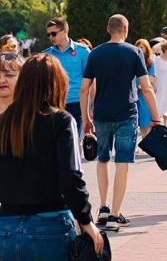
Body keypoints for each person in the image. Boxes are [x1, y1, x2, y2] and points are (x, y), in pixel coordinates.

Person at [0, 54, 104, 259]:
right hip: (50, 224)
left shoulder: (4, 121)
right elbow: (71, 176)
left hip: (7, 226)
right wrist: (86, 220)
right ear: (57, 83)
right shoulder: (60, 119)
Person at [80, 14, 160, 231]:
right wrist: (156, 117)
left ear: (108, 29)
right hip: (127, 114)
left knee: (103, 159)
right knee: (122, 162)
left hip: (102, 114)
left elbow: (84, 89)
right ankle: (115, 213)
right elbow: (146, 87)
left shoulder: (95, 53)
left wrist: (86, 118)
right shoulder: (134, 52)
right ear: (126, 29)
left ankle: (103, 208)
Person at [44, 17, 91, 126]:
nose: (51, 37)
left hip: (79, 103)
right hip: (56, 104)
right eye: (49, 35)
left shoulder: (83, 52)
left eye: (54, 34)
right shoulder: (47, 55)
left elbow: (91, 81)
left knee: (77, 140)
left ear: (65, 31)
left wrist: (94, 106)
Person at [135, 39, 158, 141]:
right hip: (133, 95)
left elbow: (151, 78)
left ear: (146, 49)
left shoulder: (150, 62)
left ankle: (145, 140)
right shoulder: (133, 60)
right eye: (138, 46)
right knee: (135, 120)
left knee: (145, 119)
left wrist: (139, 86)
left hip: (144, 94)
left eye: (142, 47)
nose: (140, 48)